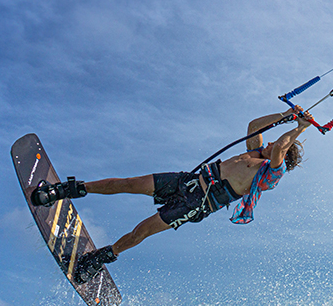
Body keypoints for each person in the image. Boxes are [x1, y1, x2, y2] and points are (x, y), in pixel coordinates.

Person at [31, 108, 313, 284]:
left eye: (279, 143)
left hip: (196, 203)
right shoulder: (255, 150)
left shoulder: (271, 174)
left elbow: (278, 151)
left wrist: (299, 127)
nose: (273, 143)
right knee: (130, 183)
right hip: (188, 182)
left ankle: (100, 258)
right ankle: (71, 189)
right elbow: (254, 125)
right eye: (276, 140)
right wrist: (285, 117)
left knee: (141, 230)